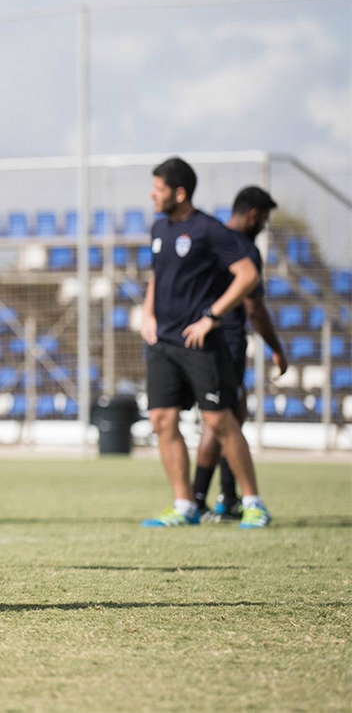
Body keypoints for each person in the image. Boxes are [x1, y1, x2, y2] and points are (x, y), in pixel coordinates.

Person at [139, 157, 271, 529]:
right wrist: (148, 314)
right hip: (162, 342)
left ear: (179, 193)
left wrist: (211, 316)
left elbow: (247, 275)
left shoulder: (209, 230)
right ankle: (184, 506)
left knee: (219, 420)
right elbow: (157, 276)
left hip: (199, 344)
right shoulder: (158, 228)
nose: (152, 194)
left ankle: (253, 502)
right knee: (162, 421)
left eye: (158, 189)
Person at [191, 186, 287, 522]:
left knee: (222, 417)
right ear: (254, 215)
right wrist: (276, 347)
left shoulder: (212, 239)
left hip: (201, 338)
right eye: (263, 217)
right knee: (225, 420)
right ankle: (210, 500)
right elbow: (254, 308)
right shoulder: (244, 248)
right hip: (228, 342)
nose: (263, 224)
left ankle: (214, 499)